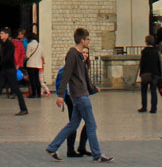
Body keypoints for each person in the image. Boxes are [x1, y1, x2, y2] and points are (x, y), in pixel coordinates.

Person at [45, 27, 112, 163]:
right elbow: (66, 75)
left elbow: (84, 77)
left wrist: (93, 89)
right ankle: (97, 154)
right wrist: (60, 95)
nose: (89, 41)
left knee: (73, 124)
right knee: (91, 125)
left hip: (81, 93)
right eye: (87, 39)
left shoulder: (80, 55)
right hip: (80, 95)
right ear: (82, 40)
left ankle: (52, 147)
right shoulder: (72, 54)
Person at [0, 27, 28, 116]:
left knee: (16, 90)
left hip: (10, 70)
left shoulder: (10, 45)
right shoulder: (1, 44)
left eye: (2, 33)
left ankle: (24, 109)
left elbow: (7, 58)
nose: (0, 35)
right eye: (0, 33)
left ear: (7, 35)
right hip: (4, 70)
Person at [137, 34, 162, 113]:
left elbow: (142, 63)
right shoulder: (156, 52)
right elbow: (159, 64)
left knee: (144, 91)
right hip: (154, 74)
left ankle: (144, 107)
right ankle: (153, 108)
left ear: (146, 42)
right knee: (153, 91)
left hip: (145, 73)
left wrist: (141, 73)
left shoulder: (144, 52)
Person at [25, 30, 44, 100]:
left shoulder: (29, 45)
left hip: (30, 64)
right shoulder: (40, 45)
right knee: (37, 78)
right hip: (38, 63)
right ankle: (38, 93)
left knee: (32, 79)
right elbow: (42, 55)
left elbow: (27, 55)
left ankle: (33, 93)